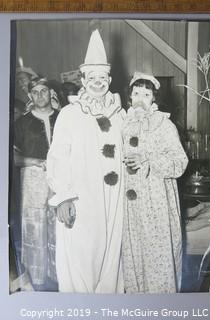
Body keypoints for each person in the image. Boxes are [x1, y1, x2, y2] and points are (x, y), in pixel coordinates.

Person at [47, 29, 125, 293]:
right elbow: (57, 156)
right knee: (82, 257)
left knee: (111, 259)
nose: (98, 82)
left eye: (102, 78)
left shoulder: (120, 113)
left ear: (110, 79)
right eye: (92, 78)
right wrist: (64, 197)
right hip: (81, 198)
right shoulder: (69, 114)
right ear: (82, 79)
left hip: (114, 201)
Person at [122, 72, 188, 293]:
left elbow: (180, 162)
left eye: (146, 94)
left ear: (154, 99)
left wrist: (149, 161)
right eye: (137, 92)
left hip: (156, 200)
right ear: (129, 96)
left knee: (157, 254)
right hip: (129, 206)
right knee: (134, 255)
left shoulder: (164, 125)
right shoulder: (123, 123)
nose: (140, 98)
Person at [14, 77, 59, 290]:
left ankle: (60, 275)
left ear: (51, 93)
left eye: (44, 90)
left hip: (60, 179)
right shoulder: (21, 123)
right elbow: (10, 158)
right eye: (36, 92)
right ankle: (36, 280)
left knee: (60, 226)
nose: (40, 95)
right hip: (32, 179)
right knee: (33, 227)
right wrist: (34, 162)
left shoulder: (63, 118)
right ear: (30, 95)